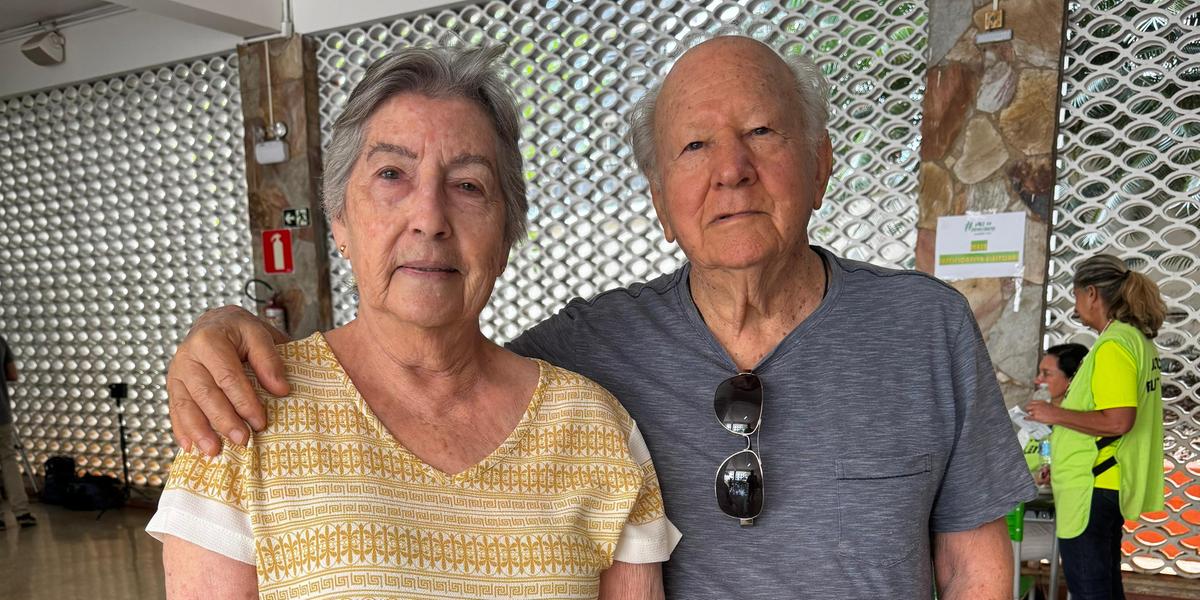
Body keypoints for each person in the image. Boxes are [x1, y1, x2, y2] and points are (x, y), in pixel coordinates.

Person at [164, 36, 1035, 598]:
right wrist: (221, 333)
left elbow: (975, 567)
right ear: (661, 198)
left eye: (762, 133)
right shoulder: (591, 354)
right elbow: (427, 357)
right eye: (694, 146)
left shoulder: (927, 329)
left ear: (820, 164)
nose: (730, 170)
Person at [146, 46, 678, 600]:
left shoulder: (594, 429)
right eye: (392, 174)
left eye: (468, 185)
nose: (429, 218)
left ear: (506, 234)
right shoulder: (242, 419)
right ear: (341, 222)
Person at [1027, 255, 1165, 600]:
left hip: (1093, 486)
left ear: (1091, 294)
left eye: (1075, 297)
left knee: (1091, 591)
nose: (1076, 308)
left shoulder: (1114, 345)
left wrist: (1053, 414)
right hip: (1103, 484)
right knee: (1103, 588)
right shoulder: (1134, 340)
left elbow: (1119, 420)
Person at [1018, 342, 1087, 561]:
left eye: (1046, 374)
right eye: (1039, 373)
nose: (1038, 380)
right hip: (1022, 515)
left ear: (1071, 380)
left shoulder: (1084, 424)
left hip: (1058, 521)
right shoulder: (1030, 422)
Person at [0, 333, 36, 530]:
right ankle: (22, 512)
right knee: (8, 461)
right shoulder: (1, 341)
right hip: (2, 413)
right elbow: (13, 375)